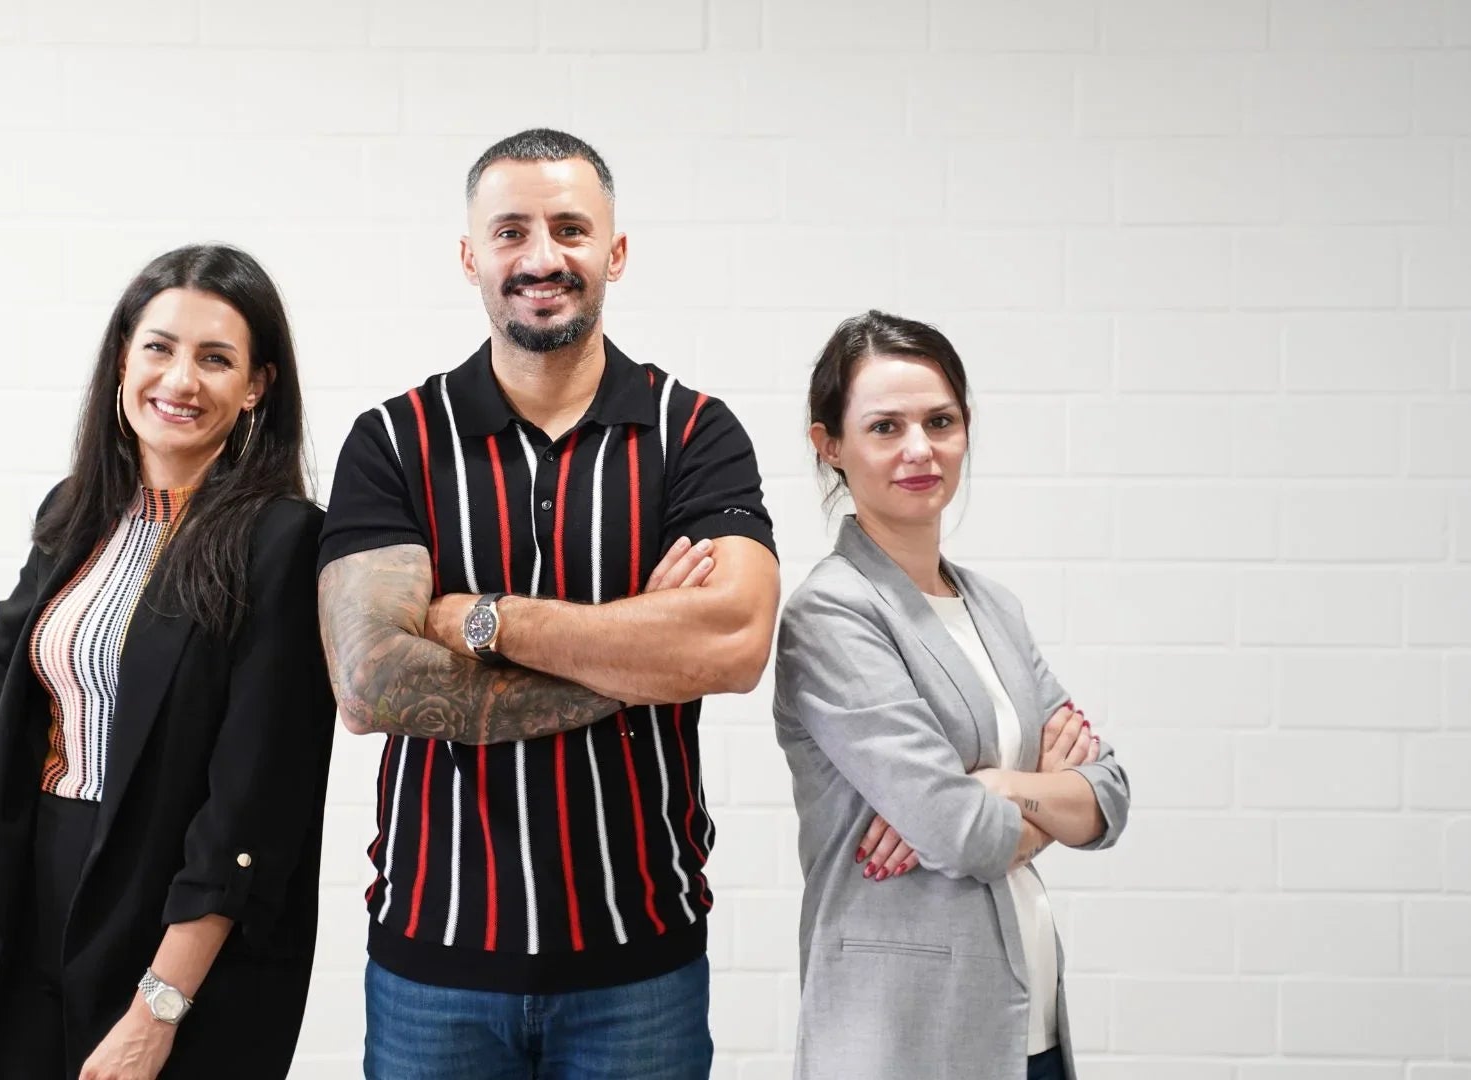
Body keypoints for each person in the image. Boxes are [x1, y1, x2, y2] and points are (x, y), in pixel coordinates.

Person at [316, 128, 780, 1080]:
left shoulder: (692, 431)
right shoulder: (395, 441)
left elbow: (730, 644)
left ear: (614, 251)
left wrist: (475, 619)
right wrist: (635, 658)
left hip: (640, 962)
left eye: (571, 229)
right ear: (470, 257)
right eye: (511, 231)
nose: (541, 257)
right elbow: (370, 687)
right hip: (432, 964)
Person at [0, 244, 336, 1080]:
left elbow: (252, 809)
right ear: (124, 357)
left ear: (257, 385)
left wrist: (159, 1007)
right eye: (159, 347)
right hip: (32, 901)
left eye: (215, 358)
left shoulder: (284, 541)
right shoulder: (77, 511)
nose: (180, 380)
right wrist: (20, 795)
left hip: (172, 922)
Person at [772, 312, 1131, 1080]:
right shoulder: (831, 613)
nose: (918, 449)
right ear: (828, 445)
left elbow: (1109, 795)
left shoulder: (993, 607)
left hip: (1026, 1027)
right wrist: (1033, 800)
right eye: (884, 426)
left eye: (940, 421)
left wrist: (998, 787)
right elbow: (961, 832)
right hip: (904, 1036)